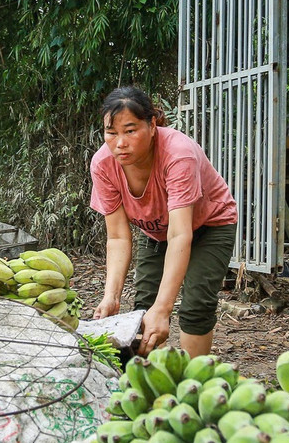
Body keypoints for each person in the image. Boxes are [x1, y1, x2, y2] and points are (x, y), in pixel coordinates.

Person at [90, 86, 238, 357]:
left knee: (195, 306)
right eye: (111, 133)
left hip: (211, 225)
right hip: (156, 229)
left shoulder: (178, 153)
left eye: (130, 130)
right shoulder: (103, 164)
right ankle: (149, 381)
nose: (120, 143)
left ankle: (193, 384)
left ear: (152, 124)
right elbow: (118, 237)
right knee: (143, 309)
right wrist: (111, 295)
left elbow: (180, 235)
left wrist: (165, 307)